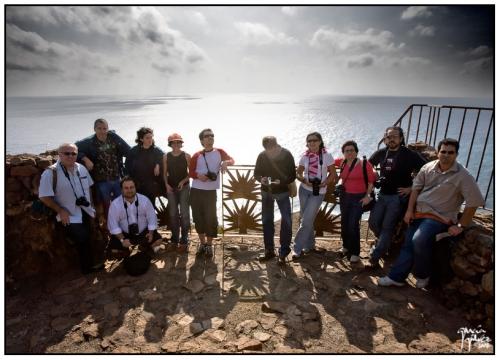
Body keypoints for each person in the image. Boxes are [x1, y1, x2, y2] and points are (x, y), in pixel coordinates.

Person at [378, 138, 484, 288]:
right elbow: (415, 189)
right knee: (408, 244)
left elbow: (473, 202)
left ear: (456, 154)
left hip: (440, 217)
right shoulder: (428, 167)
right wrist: (409, 211)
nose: (446, 155)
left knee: (418, 240)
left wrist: (461, 225)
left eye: (450, 152)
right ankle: (396, 277)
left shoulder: (463, 175)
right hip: (419, 212)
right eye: (443, 151)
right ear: (438, 152)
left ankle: (422, 274)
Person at [39, 143, 103, 274]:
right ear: (59, 154)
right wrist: (60, 210)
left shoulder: (81, 168)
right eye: (66, 153)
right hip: (69, 214)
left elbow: (89, 187)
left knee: (88, 237)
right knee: (82, 238)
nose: (70, 156)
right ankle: (87, 268)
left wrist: (91, 205)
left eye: (73, 153)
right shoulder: (51, 173)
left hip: (86, 210)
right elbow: (44, 196)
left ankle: (90, 264)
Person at [367, 126, 426, 267]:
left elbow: (427, 171)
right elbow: (367, 167)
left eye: (394, 136)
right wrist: (374, 177)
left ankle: (375, 257)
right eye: (389, 137)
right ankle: (385, 243)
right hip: (382, 195)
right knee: (373, 223)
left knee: (387, 227)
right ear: (385, 139)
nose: (391, 139)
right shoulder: (381, 153)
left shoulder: (409, 154)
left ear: (401, 138)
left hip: (397, 197)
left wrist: (411, 188)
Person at [189, 128, 234, 258]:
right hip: (196, 191)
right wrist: (198, 176)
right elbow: (190, 172)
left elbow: (232, 160)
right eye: (207, 136)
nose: (210, 138)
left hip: (210, 192)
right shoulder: (196, 155)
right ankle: (202, 244)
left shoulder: (219, 152)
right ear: (202, 140)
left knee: (210, 219)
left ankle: (209, 245)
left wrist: (226, 162)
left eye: (212, 136)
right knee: (198, 218)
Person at [292, 132, 336, 262]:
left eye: (315, 140)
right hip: (304, 190)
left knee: (305, 220)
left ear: (320, 141)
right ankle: (310, 245)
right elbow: (298, 173)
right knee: (306, 218)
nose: (312, 143)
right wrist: (304, 181)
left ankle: (297, 248)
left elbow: (333, 174)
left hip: (319, 192)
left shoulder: (327, 156)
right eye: (309, 141)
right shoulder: (304, 157)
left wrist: (324, 183)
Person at [253, 136, 296, 264]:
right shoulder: (262, 155)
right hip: (266, 192)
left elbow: (292, 176)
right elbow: (256, 173)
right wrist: (261, 179)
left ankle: (283, 252)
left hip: (282, 192)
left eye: (272, 149)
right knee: (266, 221)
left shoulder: (287, 154)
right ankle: (269, 250)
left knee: (287, 221)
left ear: (277, 145)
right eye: (267, 150)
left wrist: (281, 182)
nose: (270, 153)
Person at [75, 118, 130, 217]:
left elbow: (128, 150)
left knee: (120, 202)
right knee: (106, 205)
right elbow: (74, 148)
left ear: (108, 129)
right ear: (94, 129)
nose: (102, 131)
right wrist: (85, 159)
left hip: (117, 177)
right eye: (99, 128)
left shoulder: (113, 137)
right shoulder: (89, 142)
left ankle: (122, 224)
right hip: (101, 180)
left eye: (104, 128)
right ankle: (110, 227)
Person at [335, 140, 377, 263]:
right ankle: (346, 246)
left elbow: (371, 182)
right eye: (346, 151)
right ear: (343, 153)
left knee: (353, 224)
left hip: (358, 197)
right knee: (344, 223)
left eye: (352, 150)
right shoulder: (342, 163)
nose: (349, 152)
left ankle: (355, 252)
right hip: (345, 197)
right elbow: (328, 163)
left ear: (356, 151)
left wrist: (367, 196)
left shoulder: (364, 164)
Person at [107, 176, 163, 255]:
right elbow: (113, 225)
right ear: (122, 190)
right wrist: (122, 240)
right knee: (113, 251)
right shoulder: (115, 205)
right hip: (124, 234)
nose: (129, 190)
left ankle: (144, 248)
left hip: (143, 233)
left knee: (159, 241)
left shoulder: (145, 200)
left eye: (131, 187)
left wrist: (150, 233)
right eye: (126, 188)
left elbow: (152, 219)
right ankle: (126, 251)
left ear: (135, 188)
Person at [163, 133, 191, 253]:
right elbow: (164, 173)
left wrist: (183, 181)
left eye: (178, 142)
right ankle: (175, 239)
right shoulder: (166, 157)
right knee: (173, 214)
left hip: (184, 188)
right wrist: (166, 185)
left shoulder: (186, 156)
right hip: (171, 189)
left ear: (181, 143)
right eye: (173, 142)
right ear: (170, 144)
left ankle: (184, 240)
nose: (176, 144)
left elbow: (191, 174)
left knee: (184, 214)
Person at [125, 127, 164, 205]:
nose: (150, 140)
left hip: (152, 184)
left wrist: (158, 164)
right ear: (141, 139)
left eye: (151, 137)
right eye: (147, 138)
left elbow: (164, 157)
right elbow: (127, 167)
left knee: (150, 206)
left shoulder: (156, 150)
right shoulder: (133, 151)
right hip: (138, 184)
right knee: (139, 206)